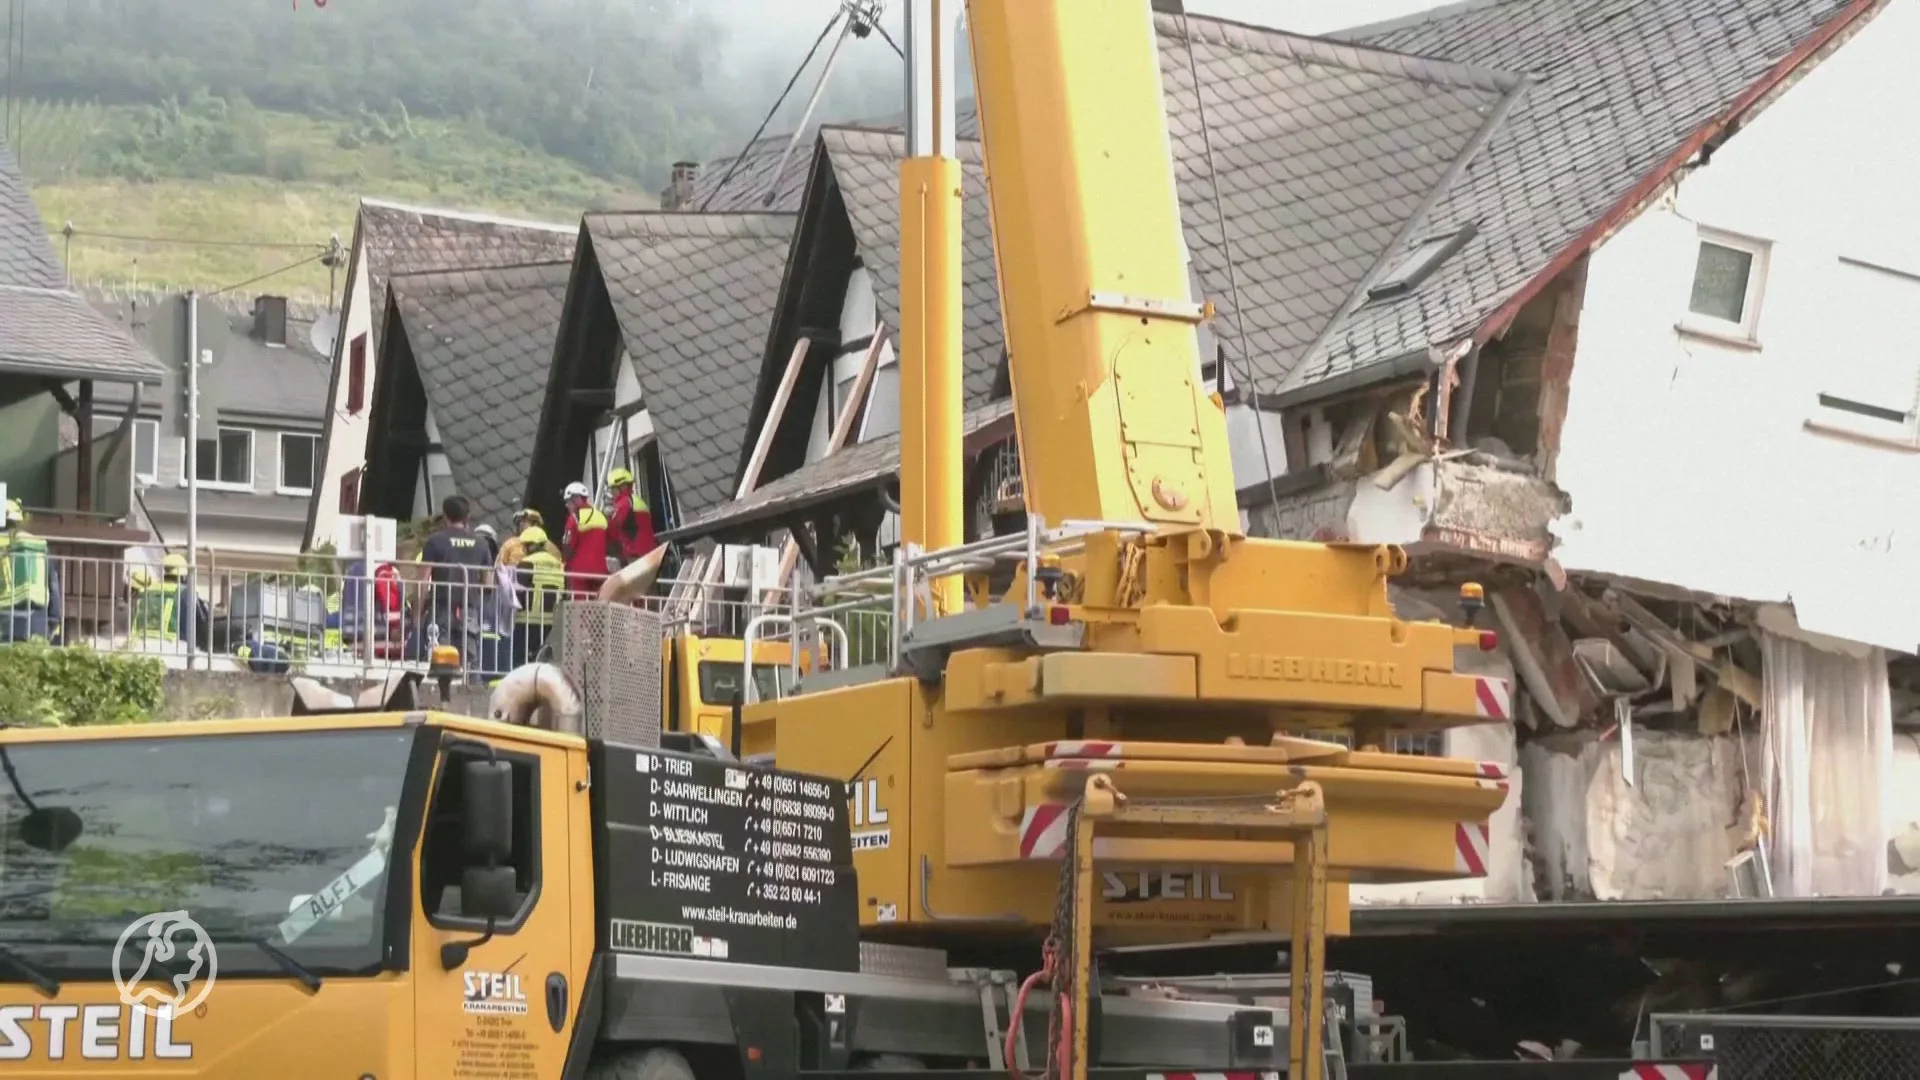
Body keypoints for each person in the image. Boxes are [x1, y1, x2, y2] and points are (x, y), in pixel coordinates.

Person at [418, 495, 494, 656]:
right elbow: (488, 582)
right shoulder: (482, 543)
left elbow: (422, 582)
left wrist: (417, 614)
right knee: (468, 659)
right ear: (467, 517)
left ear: (445, 515)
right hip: (469, 609)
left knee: (440, 660)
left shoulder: (435, 541)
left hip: (441, 607)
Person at [0, 498, 57, 644]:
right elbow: (53, 586)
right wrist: (53, 619)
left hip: (4, 618)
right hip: (38, 618)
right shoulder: (37, 544)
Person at [512, 526, 566, 667]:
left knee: (520, 661)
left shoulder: (528, 562)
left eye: (526, 545)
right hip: (550, 622)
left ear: (534, 544)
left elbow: (518, 591)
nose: (524, 549)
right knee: (543, 661)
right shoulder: (558, 564)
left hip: (526, 619)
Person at [130, 553, 205, 648]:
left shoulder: (146, 591)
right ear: (184, 575)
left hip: (140, 645)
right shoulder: (185, 593)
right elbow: (203, 623)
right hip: (174, 647)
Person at [560, 482, 610, 597]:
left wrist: (565, 562)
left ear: (577, 499)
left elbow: (568, 547)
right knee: (597, 608)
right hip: (600, 572)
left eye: (568, 501)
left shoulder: (574, 518)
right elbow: (611, 540)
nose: (567, 505)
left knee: (580, 607)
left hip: (580, 572)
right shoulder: (601, 516)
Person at [606, 467, 658, 566]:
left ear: (622, 487)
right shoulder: (637, 500)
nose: (611, 492)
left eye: (613, 488)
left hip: (635, 557)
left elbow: (612, 529)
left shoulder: (624, 503)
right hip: (648, 555)